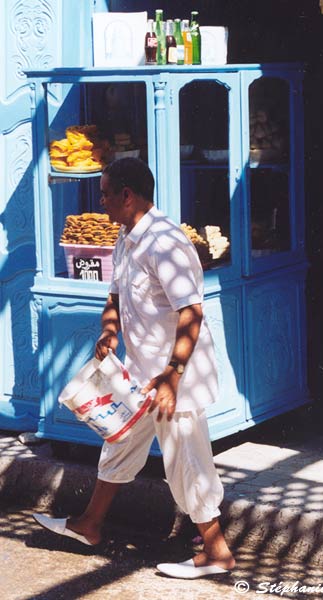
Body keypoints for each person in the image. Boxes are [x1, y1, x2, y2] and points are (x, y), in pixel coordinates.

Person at [33, 157, 235, 579]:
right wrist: (109, 330)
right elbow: (116, 296)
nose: (101, 200)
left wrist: (173, 373)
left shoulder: (166, 242)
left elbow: (191, 312)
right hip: (141, 376)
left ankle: (216, 553)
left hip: (173, 381)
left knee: (186, 462)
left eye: (105, 193)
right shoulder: (126, 237)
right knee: (119, 444)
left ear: (127, 194)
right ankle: (90, 525)